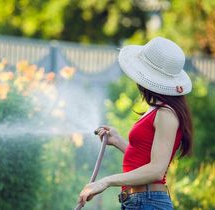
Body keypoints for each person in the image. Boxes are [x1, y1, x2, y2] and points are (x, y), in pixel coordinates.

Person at [77, 37, 193, 210]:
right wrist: (118, 141)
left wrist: (106, 181)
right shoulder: (157, 109)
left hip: (148, 202)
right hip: (139, 201)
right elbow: (145, 158)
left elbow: (156, 170)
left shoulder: (166, 114)